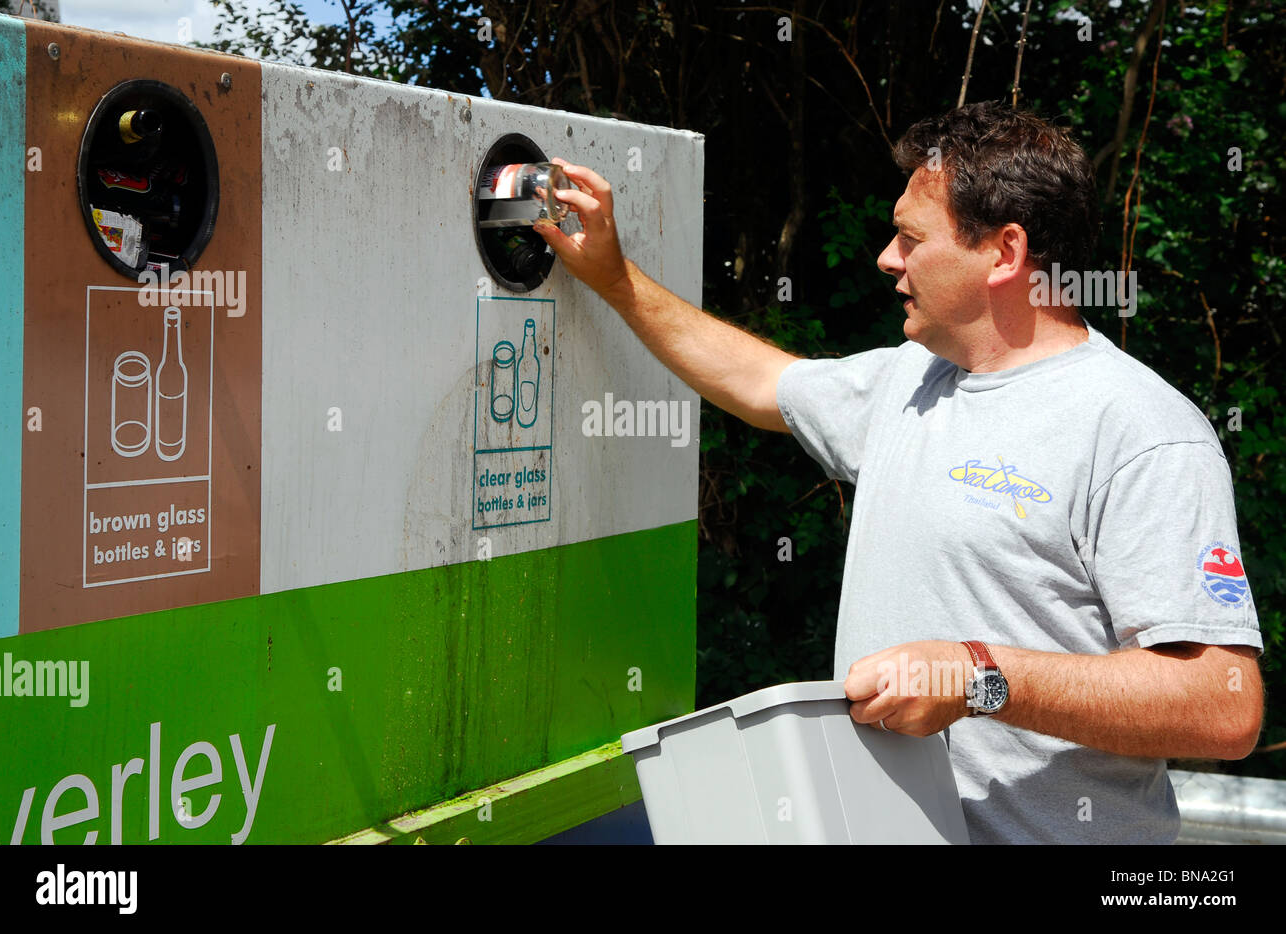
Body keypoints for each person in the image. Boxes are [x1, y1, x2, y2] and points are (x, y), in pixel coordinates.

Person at [534, 100, 1263, 844]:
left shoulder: (1141, 431)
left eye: (911, 238)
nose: (887, 257)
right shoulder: (912, 383)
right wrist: (617, 279)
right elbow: (760, 382)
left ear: (1004, 254)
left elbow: (1223, 705)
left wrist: (978, 676)